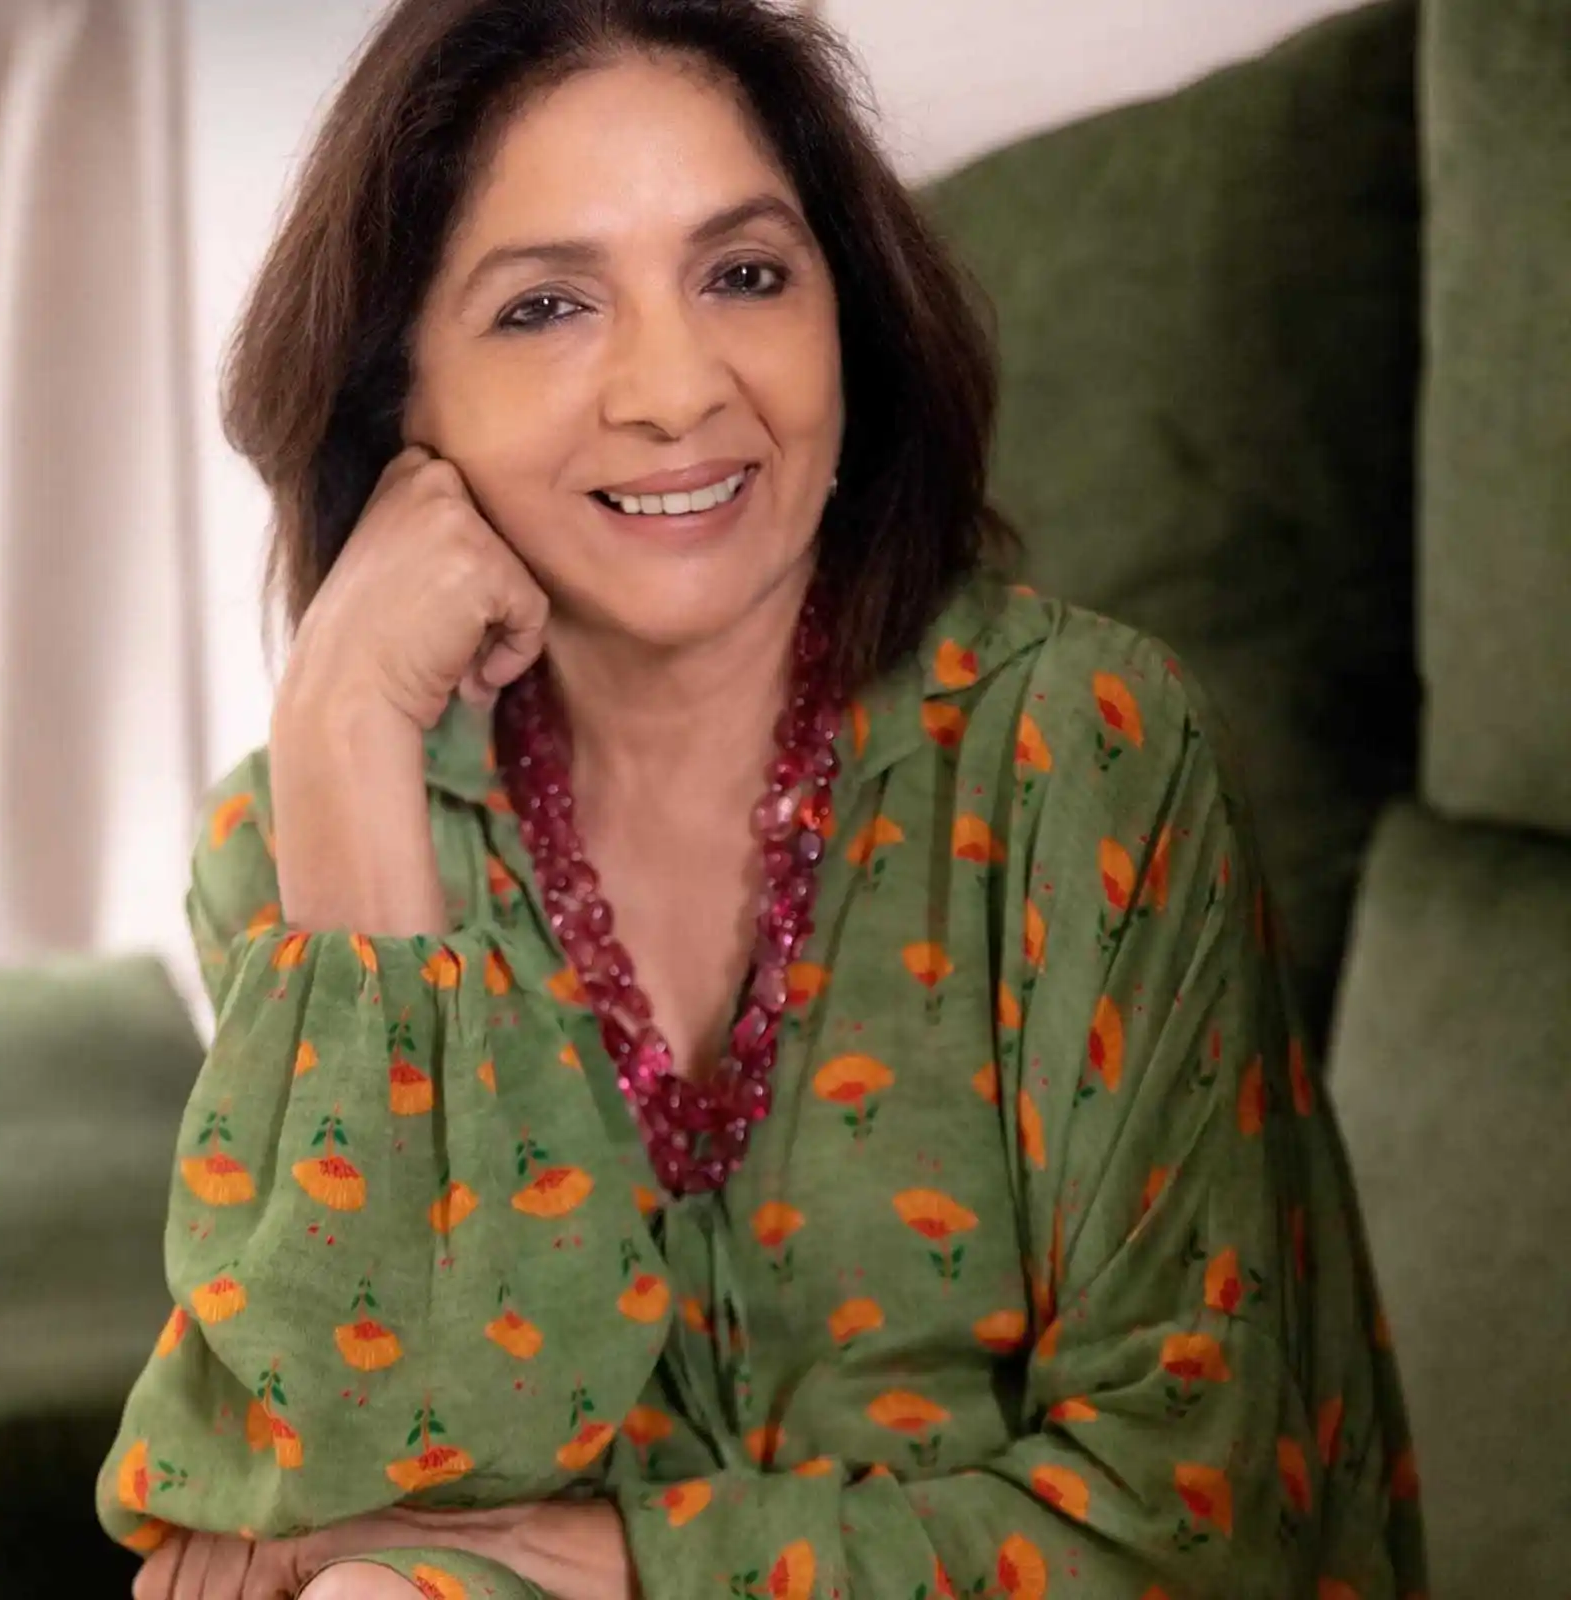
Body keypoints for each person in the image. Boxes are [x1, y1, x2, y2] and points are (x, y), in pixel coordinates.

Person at [100, 0, 1428, 1595]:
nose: (677, 390)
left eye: (743, 274)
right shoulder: (305, 830)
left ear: (844, 317)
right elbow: (367, 1473)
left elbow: (1196, 1521)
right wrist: (342, 721)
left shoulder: (1077, 749)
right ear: (402, 407)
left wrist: (626, 1558)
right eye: (546, 306)